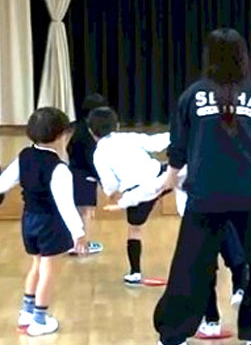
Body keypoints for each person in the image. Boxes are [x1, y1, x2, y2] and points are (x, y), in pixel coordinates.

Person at [153, 28, 251, 345]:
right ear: (243, 56)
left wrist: (170, 176)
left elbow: (178, 146)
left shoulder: (191, 95)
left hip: (206, 193)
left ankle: (173, 334)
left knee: (190, 266)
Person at [0, 107, 87, 336]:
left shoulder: (24, 156)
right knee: (48, 271)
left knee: (37, 264)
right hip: (50, 224)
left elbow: (3, 183)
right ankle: (39, 319)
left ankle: (26, 312)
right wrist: (78, 232)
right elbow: (65, 205)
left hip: (29, 220)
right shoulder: (59, 168)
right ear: (61, 136)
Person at [89, 106, 171, 285]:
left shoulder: (98, 154)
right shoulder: (128, 137)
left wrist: (111, 194)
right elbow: (155, 143)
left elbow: (109, 182)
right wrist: (177, 134)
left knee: (135, 229)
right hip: (161, 176)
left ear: (91, 132)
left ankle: (135, 273)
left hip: (136, 192)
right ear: (117, 125)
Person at [66, 93, 108, 255]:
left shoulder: (80, 128)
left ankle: (74, 243)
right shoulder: (88, 134)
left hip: (75, 172)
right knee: (86, 212)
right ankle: (83, 245)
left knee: (78, 210)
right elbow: (92, 160)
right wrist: (102, 179)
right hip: (85, 175)